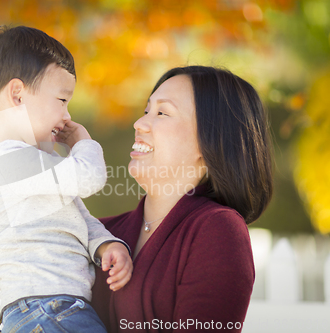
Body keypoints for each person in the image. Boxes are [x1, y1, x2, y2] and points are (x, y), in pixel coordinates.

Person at [0, 26, 133, 333]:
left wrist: (105, 243)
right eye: (61, 99)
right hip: (45, 308)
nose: (67, 116)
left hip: (51, 309)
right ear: (17, 94)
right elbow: (90, 177)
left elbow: (77, 216)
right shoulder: (3, 163)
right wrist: (83, 141)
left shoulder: (38, 164)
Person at [91, 66, 273, 333]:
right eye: (146, 111)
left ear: (210, 139)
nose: (139, 124)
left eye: (162, 113)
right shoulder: (99, 233)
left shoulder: (218, 231)